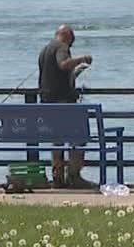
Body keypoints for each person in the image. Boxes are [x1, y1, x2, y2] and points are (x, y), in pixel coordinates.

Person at [37, 24, 94, 189]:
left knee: (57, 140)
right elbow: (63, 64)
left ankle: (57, 178)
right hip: (62, 103)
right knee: (79, 136)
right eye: (71, 43)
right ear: (68, 37)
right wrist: (82, 58)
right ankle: (74, 176)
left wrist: (74, 73)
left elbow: (56, 73)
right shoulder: (61, 47)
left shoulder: (45, 49)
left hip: (47, 102)